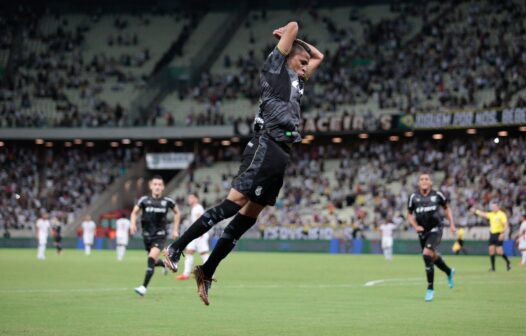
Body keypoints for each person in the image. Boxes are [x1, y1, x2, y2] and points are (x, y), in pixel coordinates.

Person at [164, 21, 324, 305]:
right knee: (233, 203)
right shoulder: (275, 70)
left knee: (248, 217)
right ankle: (175, 248)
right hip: (265, 145)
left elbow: (319, 57)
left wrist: (302, 50)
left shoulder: (298, 81)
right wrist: (284, 35)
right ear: (285, 56)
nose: (304, 67)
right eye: (300, 62)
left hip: (281, 155)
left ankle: (206, 270)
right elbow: (295, 26)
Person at [407, 173, 456, 302]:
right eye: (421, 179)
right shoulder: (413, 197)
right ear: (419, 183)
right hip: (422, 231)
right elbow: (409, 214)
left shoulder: (437, 195)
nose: (424, 181)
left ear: (430, 183)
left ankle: (430, 288)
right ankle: (449, 271)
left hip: (436, 229)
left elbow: (447, 209)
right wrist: (415, 226)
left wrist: (452, 224)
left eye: (426, 179)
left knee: (426, 254)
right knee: (432, 256)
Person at [131, 175, 181, 296]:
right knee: (153, 260)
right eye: (155, 184)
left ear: (163, 187)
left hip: (160, 235)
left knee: (150, 259)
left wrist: (175, 230)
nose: (157, 187)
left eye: (160, 184)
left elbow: (177, 213)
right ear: (151, 186)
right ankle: (166, 263)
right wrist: (132, 224)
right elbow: (134, 212)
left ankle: (143, 288)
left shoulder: (168, 201)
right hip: (146, 235)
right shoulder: (144, 200)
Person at [177, 193, 209, 280]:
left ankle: (210, 273)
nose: (189, 199)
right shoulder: (194, 208)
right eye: (189, 197)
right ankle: (186, 274)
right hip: (196, 234)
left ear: (196, 199)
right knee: (189, 251)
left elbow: (201, 219)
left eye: (191, 197)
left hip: (200, 234)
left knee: (204, 253)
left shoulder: (198, 207)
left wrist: (202, 231)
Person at [471, 203, 511, 271]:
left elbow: (506, 225)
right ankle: (493, 268)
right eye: (492, 207)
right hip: (492, 234)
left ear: (498, 207)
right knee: (491, 250)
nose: (493, 208)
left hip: (499, 234)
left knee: (499, 252)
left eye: (495, 207)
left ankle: (508, 262)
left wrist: (502, 233)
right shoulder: (491, 214)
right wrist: (475, 211)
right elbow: (483, 214)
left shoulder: (502, 214)